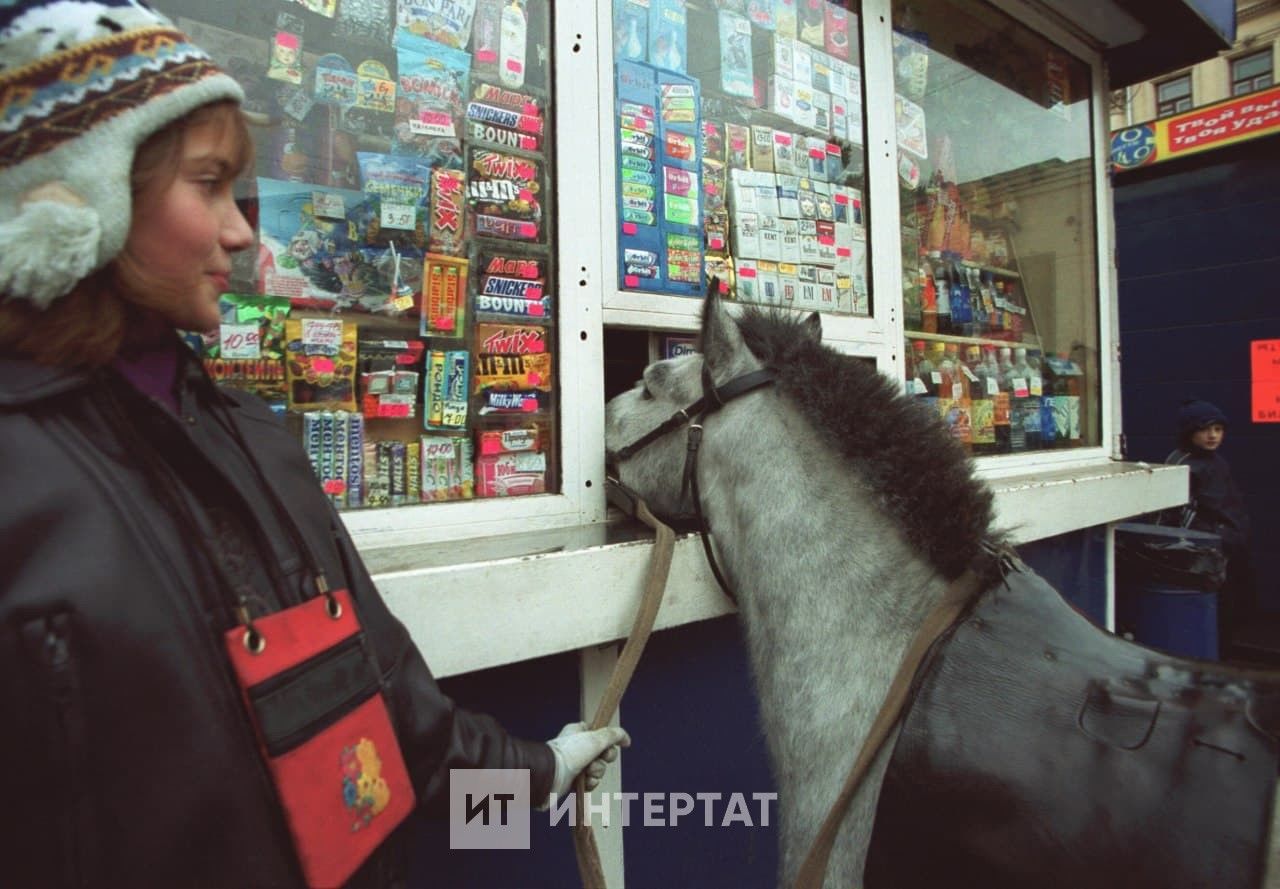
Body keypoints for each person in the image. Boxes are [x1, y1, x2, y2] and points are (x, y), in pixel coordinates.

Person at [0, 3, 626, 886]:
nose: (242, 231)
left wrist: (542, 778)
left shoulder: (256, 444)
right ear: (91, 194)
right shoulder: (22, 477)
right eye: (208, 183)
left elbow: (401, 736)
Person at [1165, 398, 1255, 655]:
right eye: (1205, 429)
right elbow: (1177, 517)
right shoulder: (1184, 465)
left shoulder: (1216, 462)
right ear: (1189, 432)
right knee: (1216, 613)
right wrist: (1217, 537)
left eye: (1218, 429)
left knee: (1236, 607)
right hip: (1210, 554)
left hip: (1231, 549)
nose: (1212, 435)